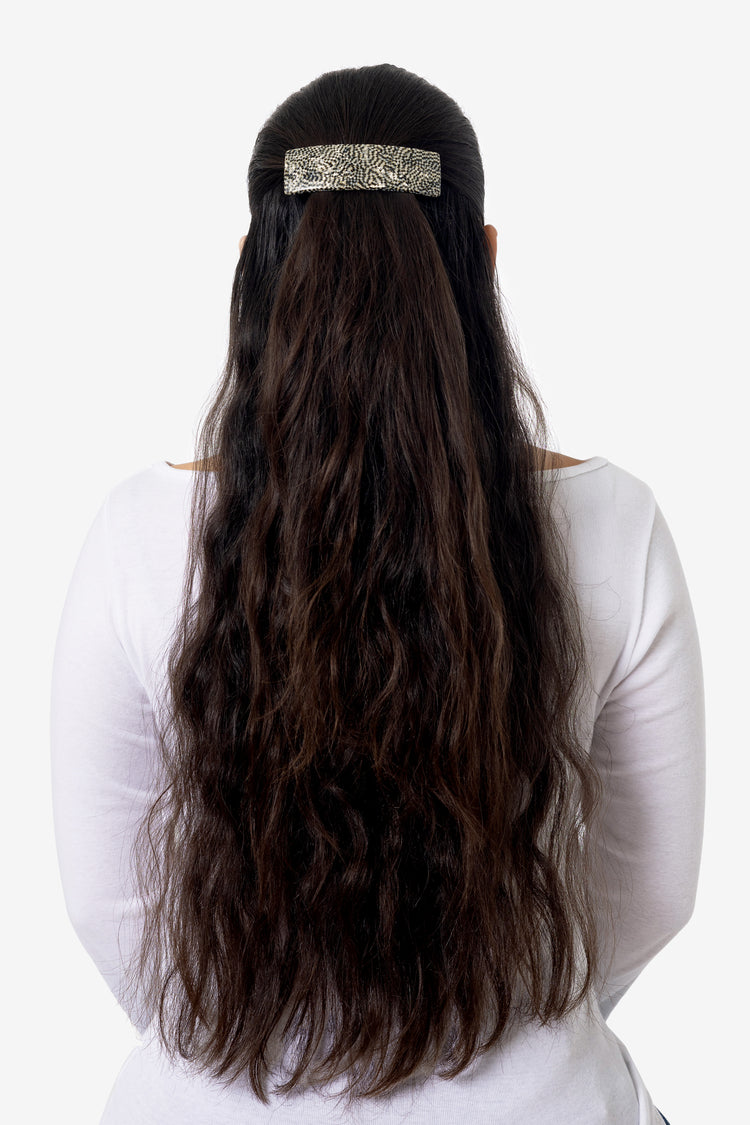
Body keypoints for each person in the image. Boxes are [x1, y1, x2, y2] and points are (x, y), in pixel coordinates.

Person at [49, 64, 703, 1125]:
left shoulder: (132, 531)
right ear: (484, 258)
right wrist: (517, 1016)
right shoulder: (618, 523)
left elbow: (106, 904)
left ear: (255, 267)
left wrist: (254, 1044)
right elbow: (652, 889)